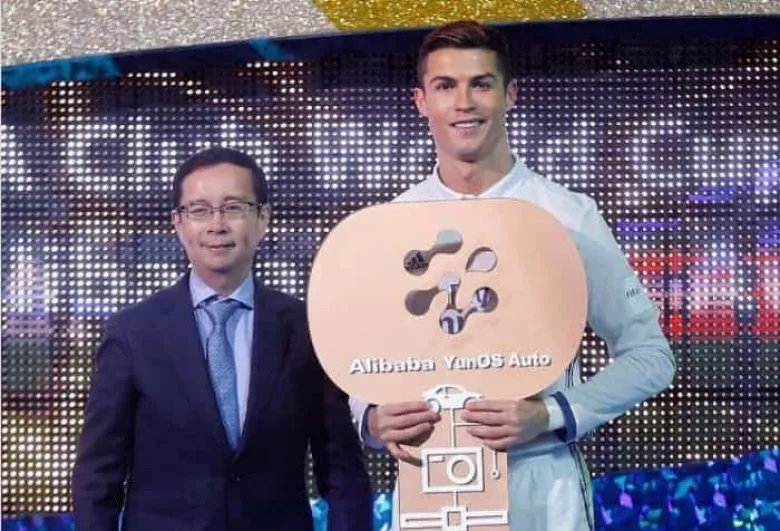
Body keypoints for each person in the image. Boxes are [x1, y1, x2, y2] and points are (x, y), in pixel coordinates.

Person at [350, 20, 676, 530]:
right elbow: (362, 363)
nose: (464, 103)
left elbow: (651, 357)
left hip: (542, 489)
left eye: (481, 84)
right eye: (445, 86)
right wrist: (370, 418)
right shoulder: (392, 224)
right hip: (428, 488)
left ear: (510, 95)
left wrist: (552, 414)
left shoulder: (568, 216)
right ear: (421, 102)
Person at [73, 147, 373, 530]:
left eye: (233, 208)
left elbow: (343, 470)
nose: (217, 224)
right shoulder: (133, 333)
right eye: (199, 210)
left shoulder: (306, 328)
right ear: (179, 224)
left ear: (262, 219)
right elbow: (98, 474)